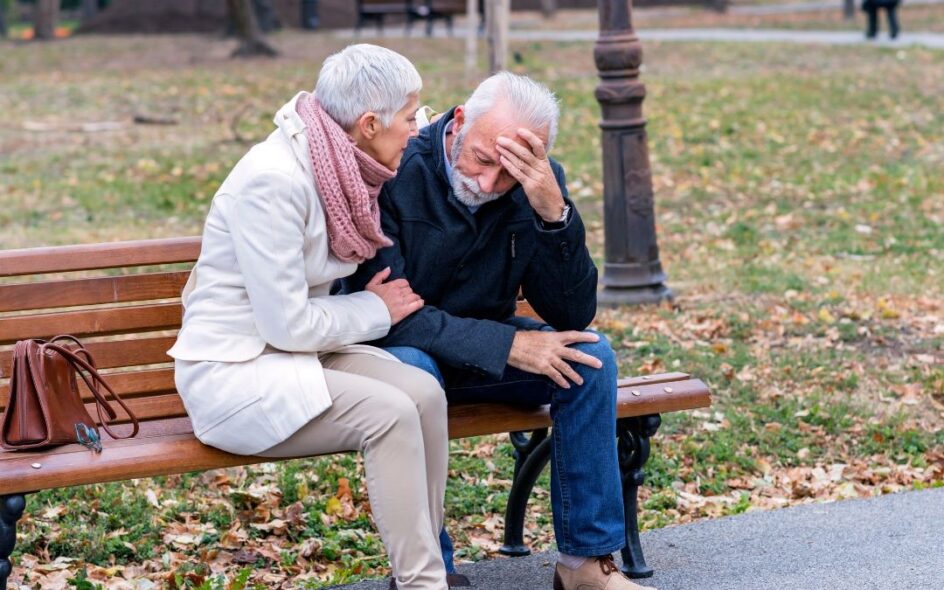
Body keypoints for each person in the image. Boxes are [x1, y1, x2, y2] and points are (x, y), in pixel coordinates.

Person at [341, 72, 657, 590]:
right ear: (459, 122)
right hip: (403, 351)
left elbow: (574, 311)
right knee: (415, 373)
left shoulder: (537, 182)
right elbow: (391, 313)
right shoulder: (398, 169)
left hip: (483, 354)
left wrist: (554, 215)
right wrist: (511, 344)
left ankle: (586, 565)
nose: (488, 184)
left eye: (507, 173)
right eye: (483, 160)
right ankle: (430, 571)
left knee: (590, 358)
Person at [168, 44, 449, 590]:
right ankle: (423, 583)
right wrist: (373, 308)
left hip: (293, 358)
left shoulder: (340, 164)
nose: (417, 129)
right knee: (389, 413)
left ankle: (421, 566)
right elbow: (286, 326)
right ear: (369, 124)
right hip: (234, 373)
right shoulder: (274, 181)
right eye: (411, 116)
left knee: (424, 394)